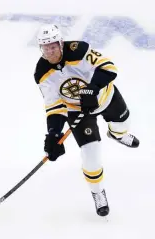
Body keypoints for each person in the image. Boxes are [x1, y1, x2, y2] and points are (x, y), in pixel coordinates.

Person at [34, 24, 139, 217]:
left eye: (53, 46)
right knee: (91, 158)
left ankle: (117, 135)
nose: (50, 51)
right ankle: (98, 193)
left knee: (123, 126)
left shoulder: (79, 50)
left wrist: (93, 87)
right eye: (45, 47)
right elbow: (54, 106)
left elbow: (109, 68)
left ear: (61, 43)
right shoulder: (42, 73)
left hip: (106, 98)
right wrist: (54, 134)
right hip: (78, 113)